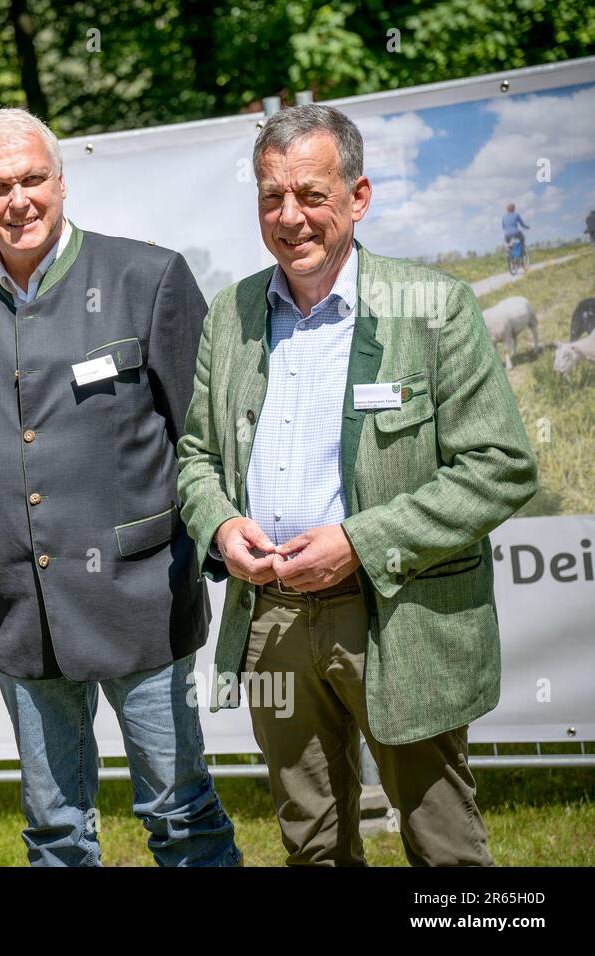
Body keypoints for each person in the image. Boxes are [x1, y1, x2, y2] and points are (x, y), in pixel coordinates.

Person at [177, 104, 538, 866]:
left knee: (442, 843)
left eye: (311, 195)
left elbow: (499, 467)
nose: (291, 217)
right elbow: (197, 456)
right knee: (311, 842)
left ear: (358, 196)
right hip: (272, 621)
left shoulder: (433, 307)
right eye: (272, 197)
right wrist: (217, 525)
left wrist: (359, 543)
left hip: (397, 618)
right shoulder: (232, 314)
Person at [0, 108, 240, 867]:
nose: (18, 200)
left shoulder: (146, 277)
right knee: (55, 828)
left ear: (62, 181)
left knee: (179, 810)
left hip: (142, 598)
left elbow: (203, 437)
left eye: (33, 179)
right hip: (23, 608)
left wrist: (225, 545)